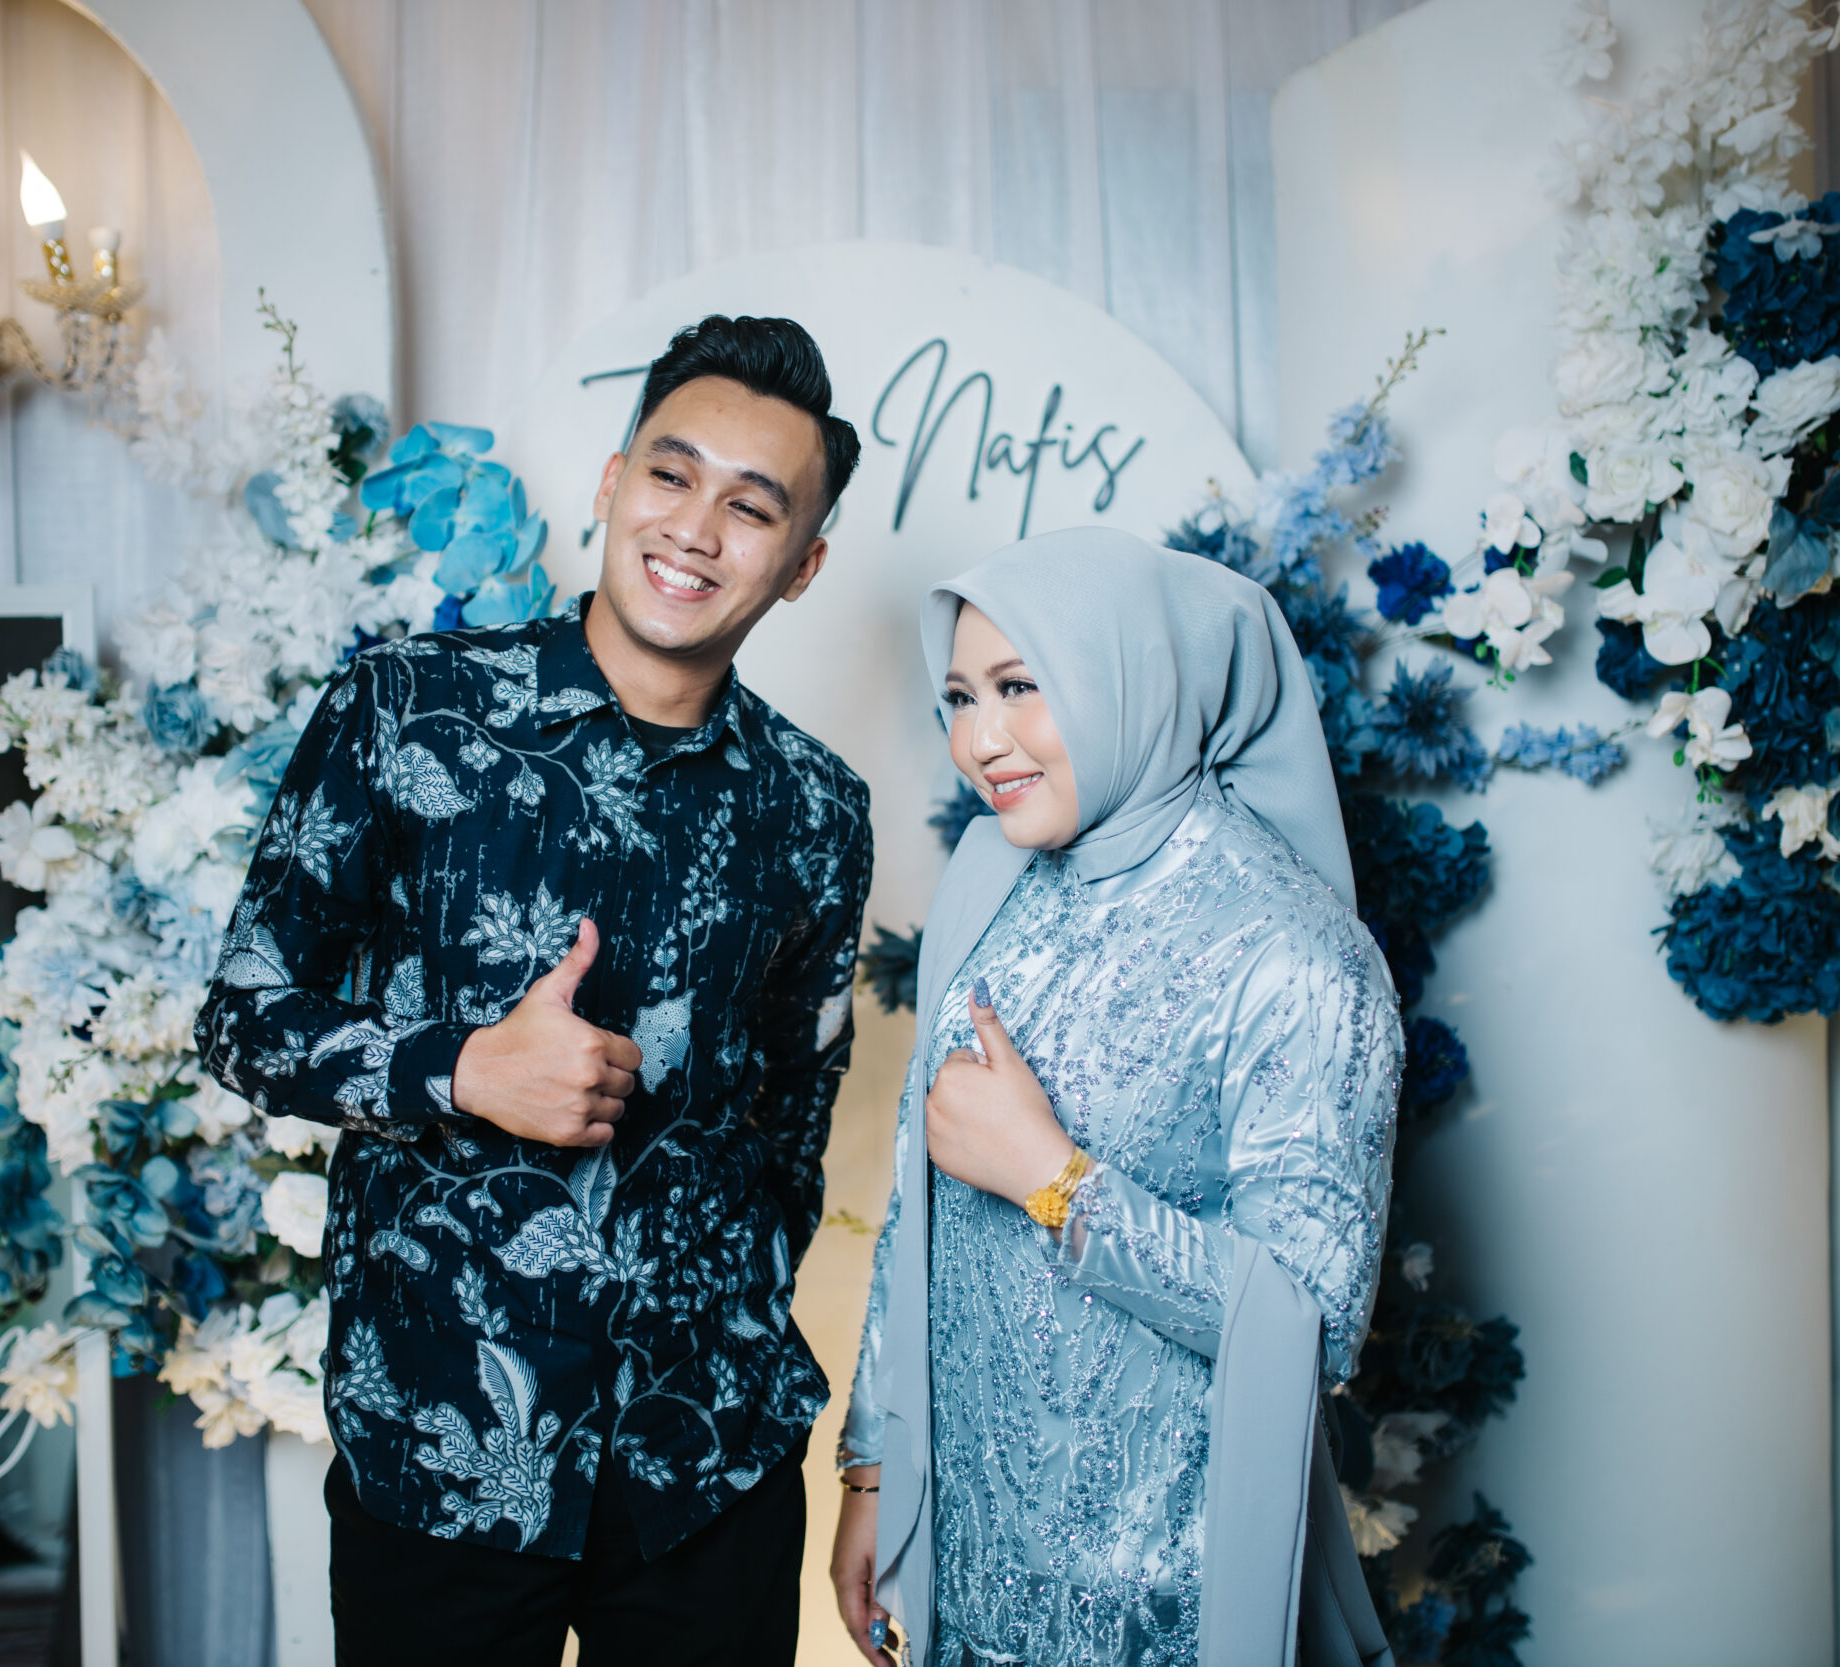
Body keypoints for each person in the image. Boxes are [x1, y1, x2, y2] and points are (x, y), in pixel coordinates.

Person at [196, 315, 874, 1666]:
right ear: (613, 483)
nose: (696, 529)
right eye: (672, 475)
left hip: (708, 1465)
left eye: (752, 508)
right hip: (440, 1449)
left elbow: (791, 1123)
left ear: (801, 565)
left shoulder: (819, 807)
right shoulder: (404, 706)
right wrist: (461, 1068)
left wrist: (726, 1319)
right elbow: (241, 1018)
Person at [828, 526, 1402, 1667]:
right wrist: (874, 1470)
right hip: (977, 1560)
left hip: (1164, 1594)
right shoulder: (991, 890)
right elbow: (913, 1209)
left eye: (1020, 686)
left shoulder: (1293, 953)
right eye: (960, 697)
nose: (979, 740)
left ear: (1134, 678)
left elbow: (1316, 1325)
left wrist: (1053, 1181)